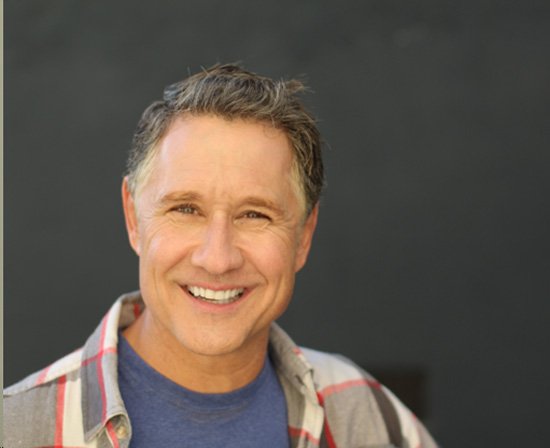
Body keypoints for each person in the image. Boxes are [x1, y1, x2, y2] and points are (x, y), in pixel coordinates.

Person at [4, 64, 437, 447]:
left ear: (304, 235)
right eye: (185, 209)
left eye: (255, 214)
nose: (218, 259)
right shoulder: (16, 429)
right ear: (133, 218)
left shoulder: (369, 417)